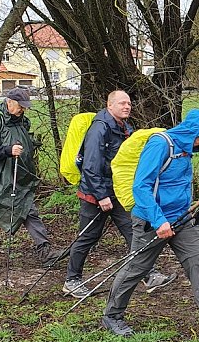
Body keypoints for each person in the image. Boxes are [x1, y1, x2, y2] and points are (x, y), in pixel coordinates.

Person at [101, 109, 199, 342]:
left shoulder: (186, 151)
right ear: (192, 132)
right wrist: (159, 221)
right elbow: (141, 187)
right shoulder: (160, 145)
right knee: (137, 268)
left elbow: (177, 185)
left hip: (182, 219)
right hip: (151, 220)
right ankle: (112, 315)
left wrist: (193, 208)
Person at [62, 90, 176, 298]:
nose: (127, 107)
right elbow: (90, 166)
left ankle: (149, 275)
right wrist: (101, 195)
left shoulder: (123, 127)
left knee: (133, 232)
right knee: (88, 236)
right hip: (96, 193)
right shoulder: (100, 129)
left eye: (129, 104)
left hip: (117, 191)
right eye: (122, 103)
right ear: (110, 105)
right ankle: (72, 280)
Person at [0, 87, 60, 272]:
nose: (22, 110)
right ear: (9, 102)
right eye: (20, 106)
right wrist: (7, 150)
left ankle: (45, 252)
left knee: (29, 210)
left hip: (18, 176)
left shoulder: (22, 121)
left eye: (24, 107)